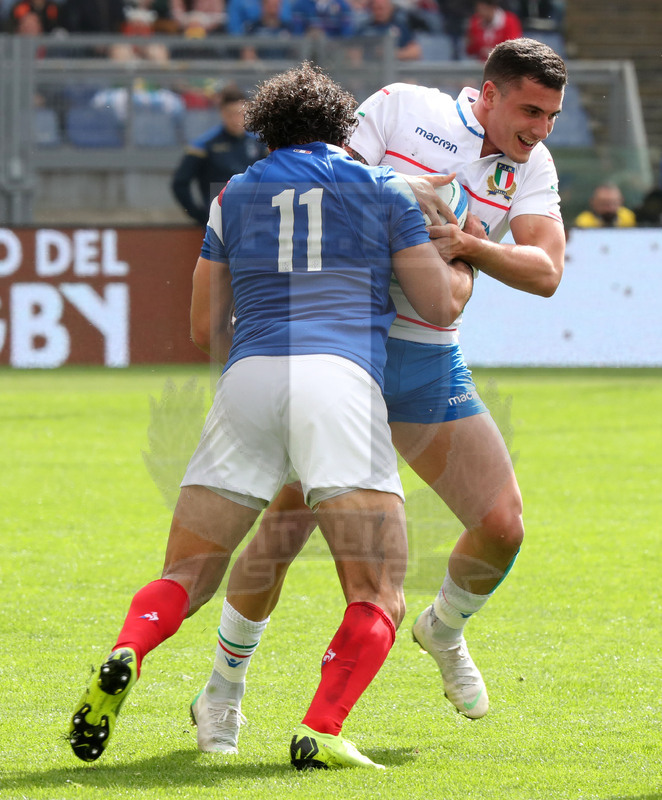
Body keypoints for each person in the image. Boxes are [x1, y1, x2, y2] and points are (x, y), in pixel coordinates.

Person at [68, 61, 464, 770]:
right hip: (340, 382)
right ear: (344, 129)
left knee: (186, 573)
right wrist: (461, 256)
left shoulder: (233, 195)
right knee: (378, 591)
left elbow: (201, 327)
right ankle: (322, 728)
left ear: (264, 131)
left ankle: (129, 647)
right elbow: (437, 306)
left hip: (248, 377)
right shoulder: (380, 190)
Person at [195, 36, 567, 754]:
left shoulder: (534, 167)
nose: (539, 130)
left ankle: (443, 629)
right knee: (282, 530)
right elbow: (319, 185)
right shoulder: (402, 109)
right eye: (529, 111)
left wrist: (468, 243)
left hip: (427, 357)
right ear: (487, 94)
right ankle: (222, 691)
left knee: (502, 524)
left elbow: (547, 270)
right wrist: (414, 201)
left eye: (551, 115)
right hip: (342, 349)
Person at [171, 85, 267, 227]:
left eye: (240, 113)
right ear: (222, 113)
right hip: (221, 223)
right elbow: (180, 183)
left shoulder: (260, 144)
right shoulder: (204, 145)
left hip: (254, 222)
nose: (236, 119)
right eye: (230, 114)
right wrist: (200, 215)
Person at [355, 0, 422, 60]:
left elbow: (415, 52)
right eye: (375, 8)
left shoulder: (400, 27)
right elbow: (353, 52)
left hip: (395, 69)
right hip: (370, 69)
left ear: (390, 9)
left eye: (381, 8)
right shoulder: (364, 28)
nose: (379, 12)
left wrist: (391, 54)